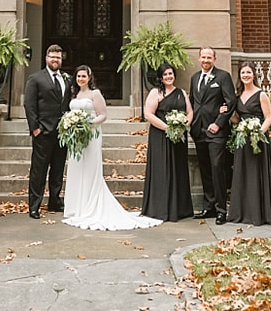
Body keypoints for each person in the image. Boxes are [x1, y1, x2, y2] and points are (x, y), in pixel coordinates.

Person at [62, 65, 162, 231]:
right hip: (76, 138)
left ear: (89, 77)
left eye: (83, 76)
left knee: (90, 169)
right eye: (78, 76)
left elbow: (103, 115)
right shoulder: (75, 93)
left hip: (91, 134)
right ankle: (76, 208)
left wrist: (87, 123)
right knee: (76, 168)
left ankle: (90, 207)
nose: (81, 79)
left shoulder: (95, 94)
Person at [226, 62, 271, 226]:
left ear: (254, 75)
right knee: (243, 174)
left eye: (248, 72)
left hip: (258, 140)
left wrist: (257, 133)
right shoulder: (237, 95)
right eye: (243, 73)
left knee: (257, 174)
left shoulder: (261, 94)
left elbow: (268, 118)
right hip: (242, 139)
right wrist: (227, 115)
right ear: (240, 76)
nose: (245, 75)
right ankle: (243, 212)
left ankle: (259, 214)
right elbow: (237, 119)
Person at [141, 63, 194, 221]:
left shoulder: (181, 92)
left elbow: (190, 112)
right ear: (161, 77)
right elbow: (148, 114)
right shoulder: (155, 92)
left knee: (178, 170)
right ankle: (160, 209)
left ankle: (179, 209)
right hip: (160, 135)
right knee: (162, 170)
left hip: (178, 137)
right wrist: (167, 128)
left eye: (170, 74)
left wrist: (183, 127)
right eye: (165, 75)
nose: (169, 77)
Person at [189, 47, 236, 225]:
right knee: (205, 170)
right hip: (199, 131)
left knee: (217, 169)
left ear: (215, 59)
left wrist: (218, 122)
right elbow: (193, 102)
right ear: (199, 58)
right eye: (203, 57)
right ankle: (209, 207)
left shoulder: (223, 77)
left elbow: (231, 102)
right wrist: (191, 125)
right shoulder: (194, 78)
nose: (206, 60)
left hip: (216, 132)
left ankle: (221, 210)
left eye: (209, 57)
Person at [23, 44, 70, 219]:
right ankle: (34, 205)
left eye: (58, 57)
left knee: (57, 170)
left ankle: (54, 201)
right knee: (39, 170)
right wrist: (35, 128)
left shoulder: (67, 79)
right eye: (52, 57)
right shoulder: (35, 79)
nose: (55, 60)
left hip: (62, 133)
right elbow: (29, 105)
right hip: (42, 132)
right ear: (46, 58)